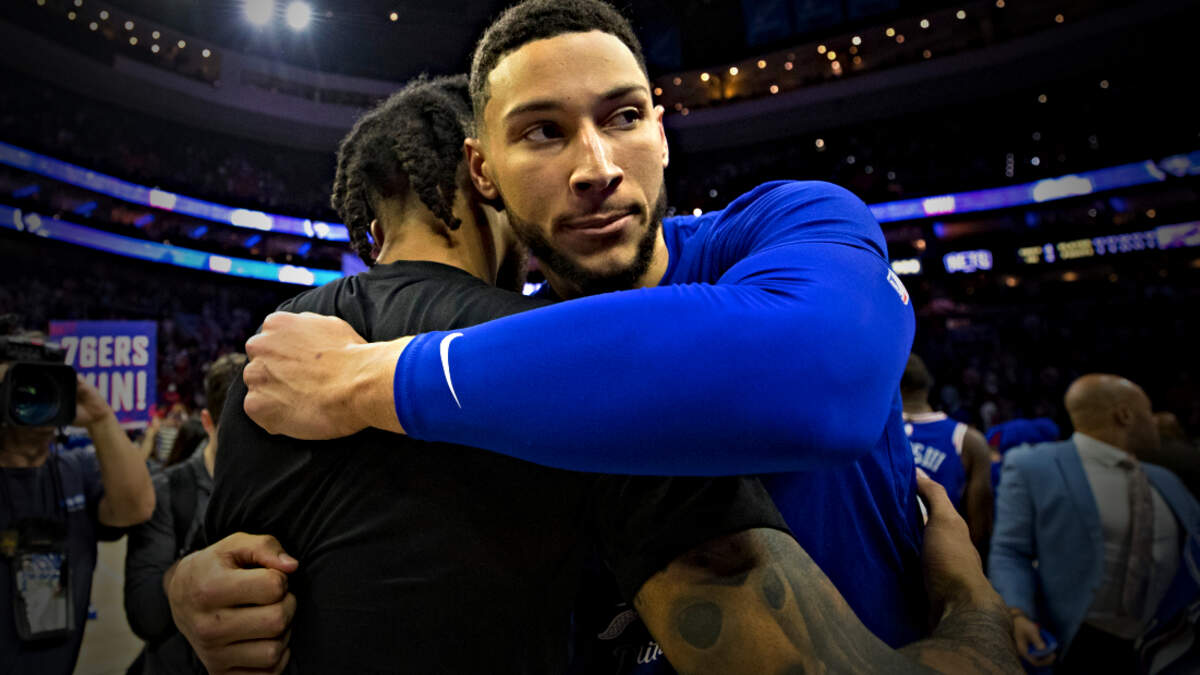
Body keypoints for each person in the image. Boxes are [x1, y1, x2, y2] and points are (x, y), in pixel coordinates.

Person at [175, 75, 1018, 674]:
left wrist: (190, 589)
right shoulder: (578, 365)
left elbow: (230, 575)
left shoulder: (279, 358)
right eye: (539, 137)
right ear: (485, 181)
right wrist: (973, 615)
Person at [989, 374, 1200, 672]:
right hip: (1076, 643)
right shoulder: (1034, 465)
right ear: (1125, 415)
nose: (1154, 421)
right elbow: (1010, 550)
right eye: (1148, 411)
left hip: (1164, 645)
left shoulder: (1166, 481)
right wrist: (1017, 613)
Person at [0, 332, 155, 674]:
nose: (35, 394)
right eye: (21, 385)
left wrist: (100, 418)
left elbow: (136, 508)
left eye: (47, 382)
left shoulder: (77, 469)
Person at [124, 353, 247, 674]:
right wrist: (187, 575)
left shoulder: (278, 490)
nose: (252, 447)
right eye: (238, 433)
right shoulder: (167, 491)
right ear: (207, 423)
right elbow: (145, 616)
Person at [900, 354, 994, 556]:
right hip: (945, 557)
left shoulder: (868, 436)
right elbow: (978, 528)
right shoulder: (969, 440)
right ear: (928, 386)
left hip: (883, 560)